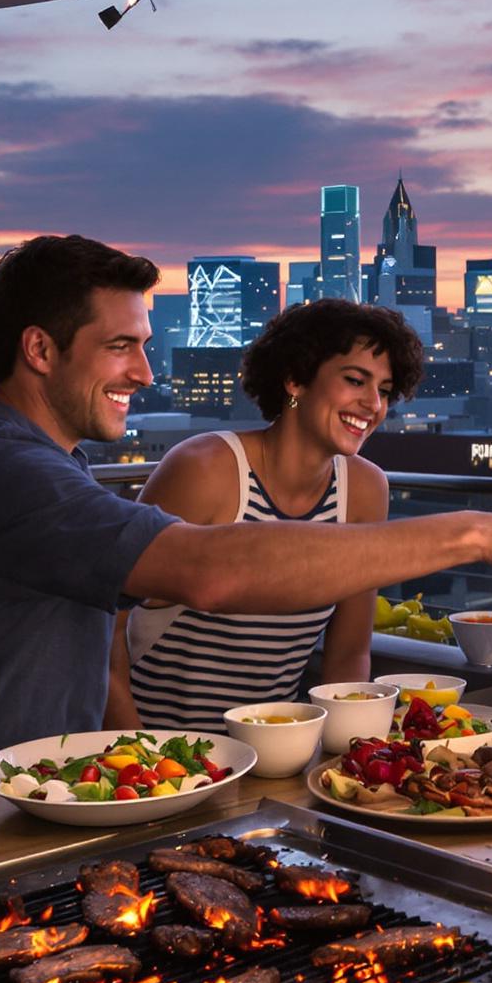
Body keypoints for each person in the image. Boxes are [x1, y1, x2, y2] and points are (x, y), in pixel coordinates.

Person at [0, 235, 492, 820]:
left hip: (24, 812)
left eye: (143, 345)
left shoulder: (30, 461)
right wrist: (478, 534)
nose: (144, 371)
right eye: (120, 347)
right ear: (38, 349)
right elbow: (203, 569)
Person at [109, 301, 416, 731]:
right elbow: (105, 624)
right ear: (295, 379)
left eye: (384, 390)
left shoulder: (364, 491)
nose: (372, 404)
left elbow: (348, 650)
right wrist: (131, 749)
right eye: (354, 380)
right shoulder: (206, 468)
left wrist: (345, 757)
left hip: (274, 758)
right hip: (159, 761)